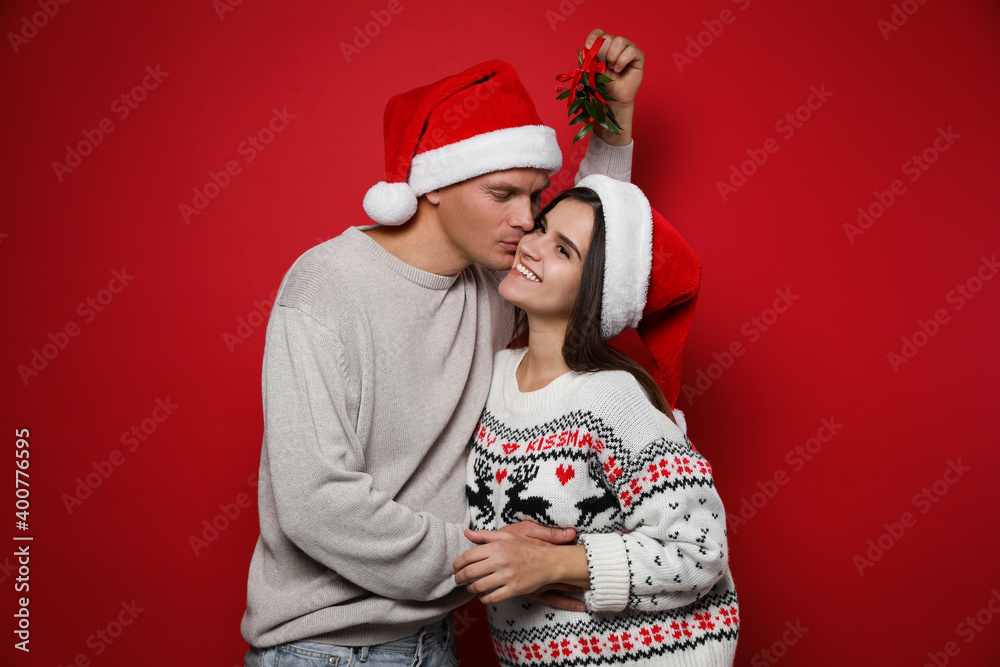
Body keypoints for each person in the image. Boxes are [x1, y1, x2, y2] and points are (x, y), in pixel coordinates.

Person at [241, 31, 647, 667]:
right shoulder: (327, 286)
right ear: (434, 184)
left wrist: (613, 123)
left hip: (434, 639)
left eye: (534, 197)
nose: (526, 219)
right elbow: (315, 502)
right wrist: (490, 557)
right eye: (502, 194)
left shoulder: (494, 282)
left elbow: (586, 250)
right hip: (327, 649)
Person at [453, 175, 740, 665]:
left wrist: (557, 562)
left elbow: (701, 550)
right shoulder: (490, 376)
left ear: (600, 290)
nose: (532, 246)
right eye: (541, 228)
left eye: (564, 251)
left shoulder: (612, 399)